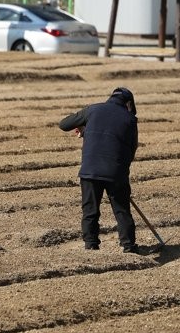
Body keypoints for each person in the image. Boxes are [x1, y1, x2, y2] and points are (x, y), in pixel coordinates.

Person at [58, 87, 140, 253]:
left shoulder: (93, 110)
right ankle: (129, 246)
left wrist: (83, 125)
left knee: (90, 211)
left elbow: (64, 124)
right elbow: (132, 149)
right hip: (116, 172)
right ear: (129, 103)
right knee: (122, 211)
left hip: (90, 170)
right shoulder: (130, 119)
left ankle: (91, 245)